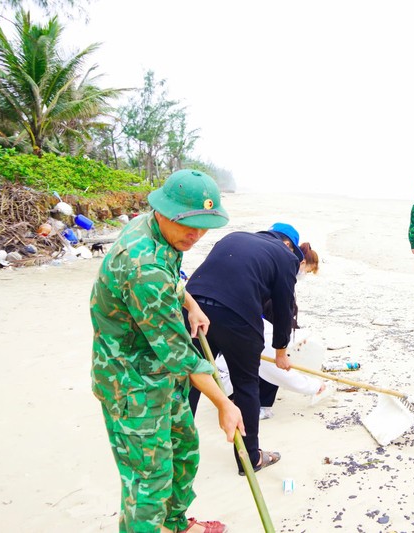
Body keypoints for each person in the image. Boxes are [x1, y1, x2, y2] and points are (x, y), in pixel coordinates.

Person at [90, 169, 243, 533]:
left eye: (204, 225)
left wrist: (190, 303)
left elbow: (172, 280)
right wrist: (225, 402)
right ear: (165, 210)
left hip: (160, 374)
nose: (197, 234)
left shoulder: (160, 233)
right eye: (189, 225)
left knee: (185, 452)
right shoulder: (144, 267)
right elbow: (181, 356)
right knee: (149, 482)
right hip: (130, 384)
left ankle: (175, 525)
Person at [184, 222, 302, 475]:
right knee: (246, 384)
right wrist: (280, 352)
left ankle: (177, 451)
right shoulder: (285, 256)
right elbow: (284, 310)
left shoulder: (234, 237)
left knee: (192, 377)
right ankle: (250, 459)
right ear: (289, 244)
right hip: (236, 318)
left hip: (191, 308)